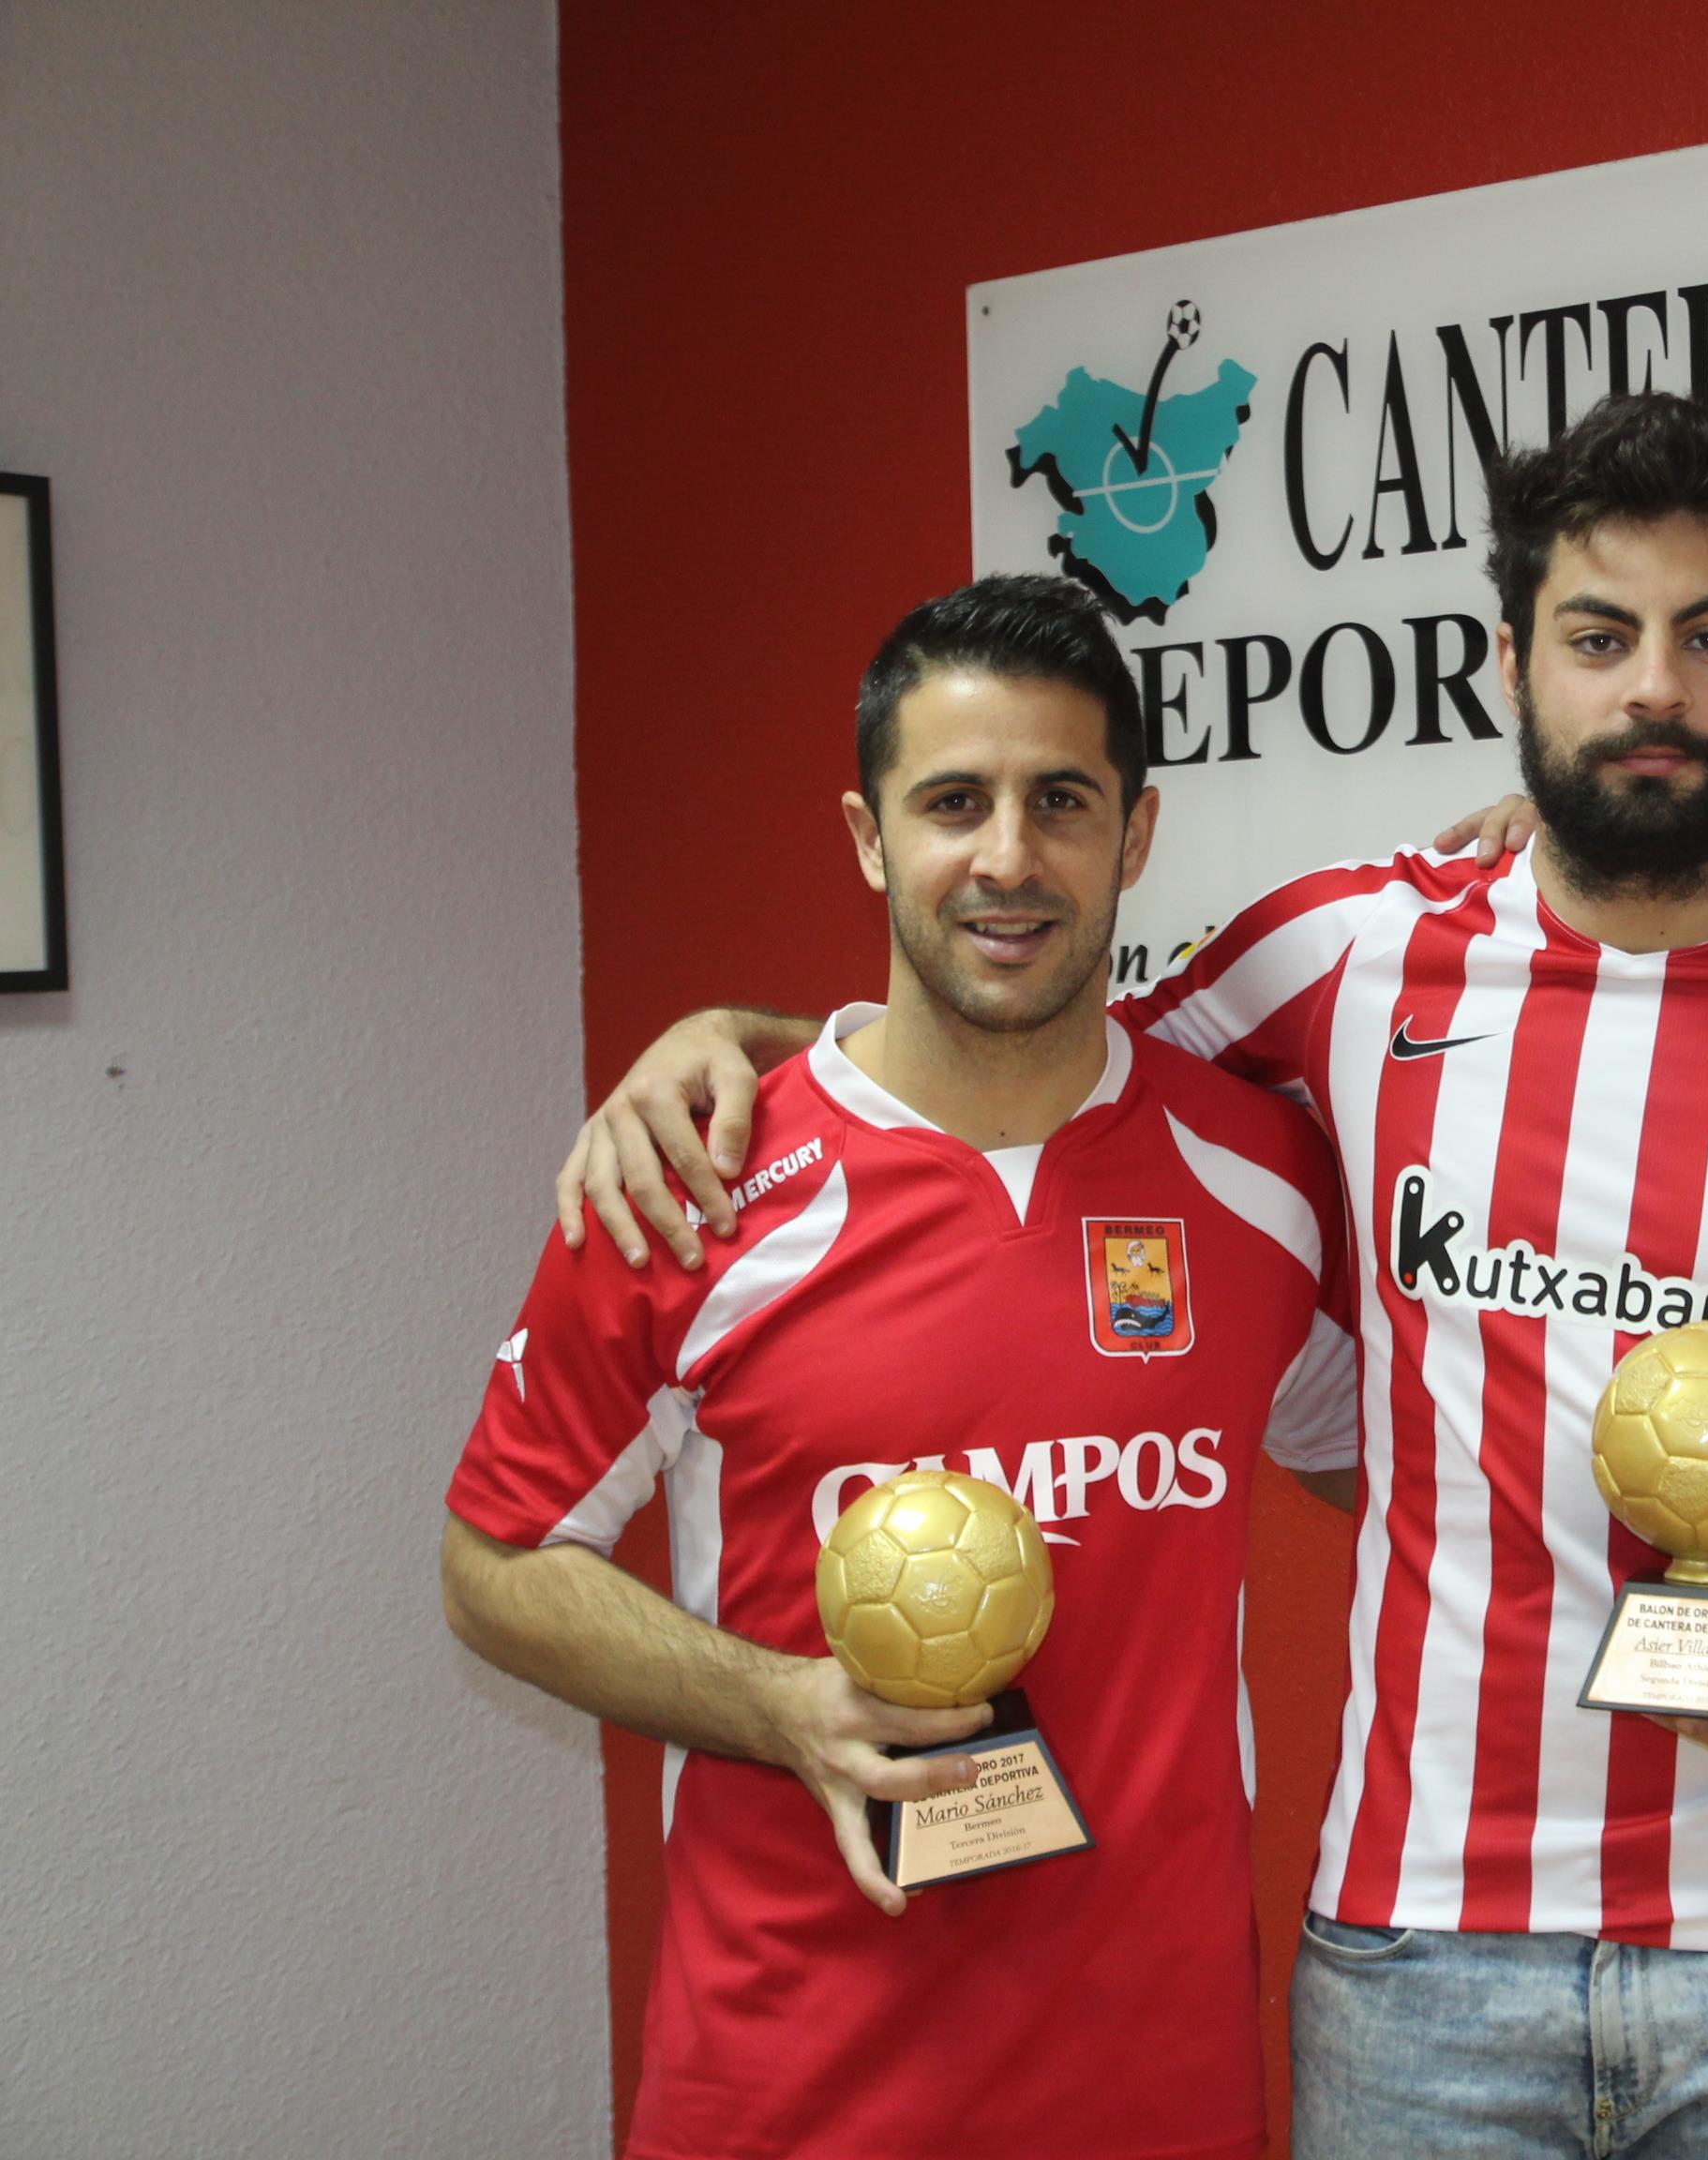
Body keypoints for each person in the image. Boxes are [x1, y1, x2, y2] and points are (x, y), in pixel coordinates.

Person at [563, 393, 1708, 2158]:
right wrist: (748, 1046)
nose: (1655, 689)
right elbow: (1023, 1062)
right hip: (1420, 1953)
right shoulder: (1347, 952)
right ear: (1512, 660)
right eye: (1600, 638)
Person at [441, 576, 1359, 2160]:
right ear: (871, 838)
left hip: (1158, 2089)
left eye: (1060, 801)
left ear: (1135, 836)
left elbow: (1426, 1467)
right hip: (790, 2091)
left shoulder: (1260, 1176)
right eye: (953, 803)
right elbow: (495, 1562)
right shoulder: (698, 1180)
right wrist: (777, 1704)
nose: (1008, 857)